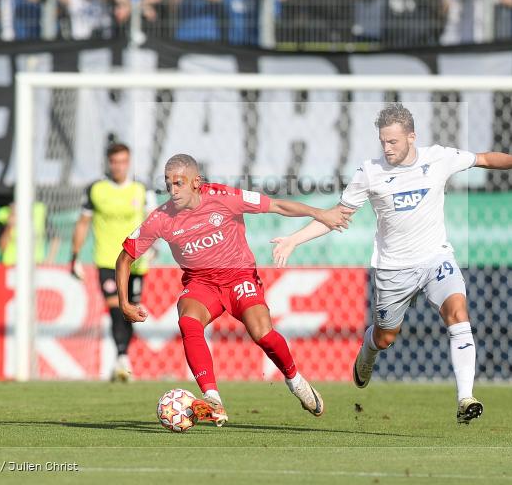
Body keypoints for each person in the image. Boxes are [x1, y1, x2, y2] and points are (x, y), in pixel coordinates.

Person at [271, 104, 512, 425]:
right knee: (386, 337)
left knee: (458, 314)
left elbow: (482, 159)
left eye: (393, 142)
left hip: (436, 259)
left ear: (412, 137)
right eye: (383, 142)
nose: (387, 148)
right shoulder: (369, 172)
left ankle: (465, 398)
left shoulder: (438, 158)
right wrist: (294, 240)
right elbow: (336, 216)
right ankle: (368, 351)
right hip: (393, 269)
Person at [116, 154, 349, 425]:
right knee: (188, 321)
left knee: (262, 333)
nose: (173, 190)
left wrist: (319, 213)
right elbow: (125, 257)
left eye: (179, 183)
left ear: (196, 182)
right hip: (200, 282)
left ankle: (295, 380)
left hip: (239, 277)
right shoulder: (162, 218)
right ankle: (213, 399)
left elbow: (277, 205)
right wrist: (124, 303)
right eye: (168, 184)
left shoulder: (225, 197)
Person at [71, 143, 152, 382]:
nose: (118, 166)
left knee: (131, 311)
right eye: (114, 161)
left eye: (123, 161)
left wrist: (154, 246)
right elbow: (83, 223)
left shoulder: (141, 189)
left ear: (129, 162)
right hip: (108, 260)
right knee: (116, 306)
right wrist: (74, 256)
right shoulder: (96, 190)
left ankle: (121, 357)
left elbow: (154, 220)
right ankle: (122, 356)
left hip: (136, 261)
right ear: (108, 162)